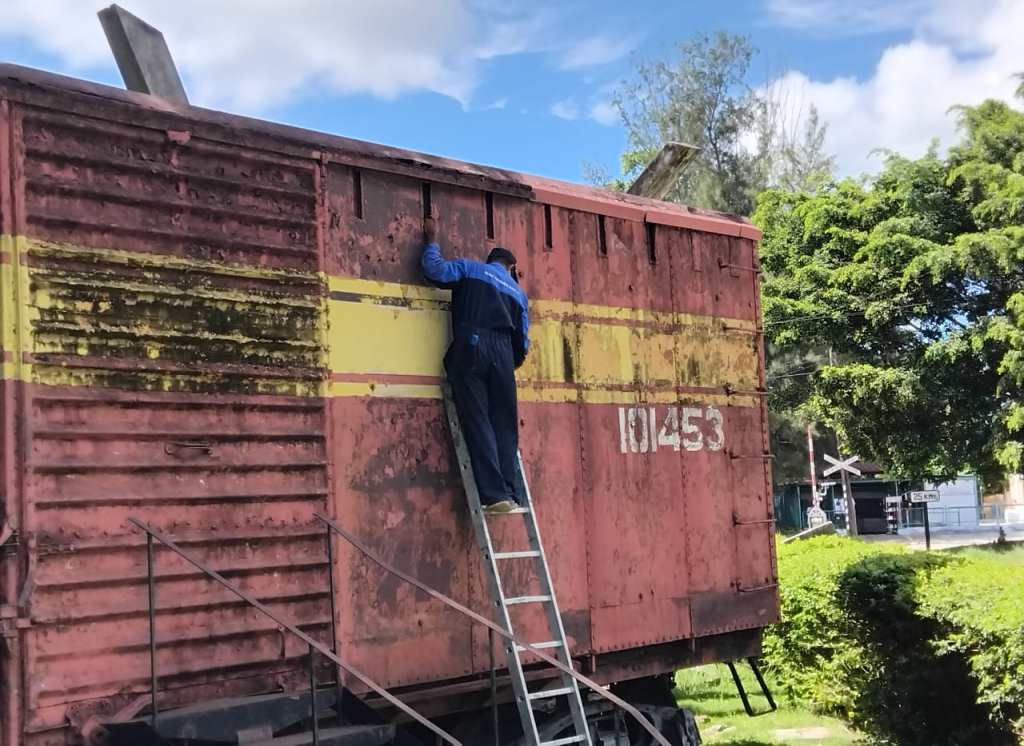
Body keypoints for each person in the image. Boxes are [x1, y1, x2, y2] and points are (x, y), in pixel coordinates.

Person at [421, 217, 529, 514]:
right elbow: (523, 344)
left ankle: (494, 495)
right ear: (511, 268)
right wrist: (505, 364)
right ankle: (510, 491)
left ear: (491, 260)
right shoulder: (519, 294)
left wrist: (431, 241)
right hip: (504, 354)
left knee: (478, 417)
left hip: (473, 342)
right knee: (504, 424)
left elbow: (436, 271)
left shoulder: (471, 269)